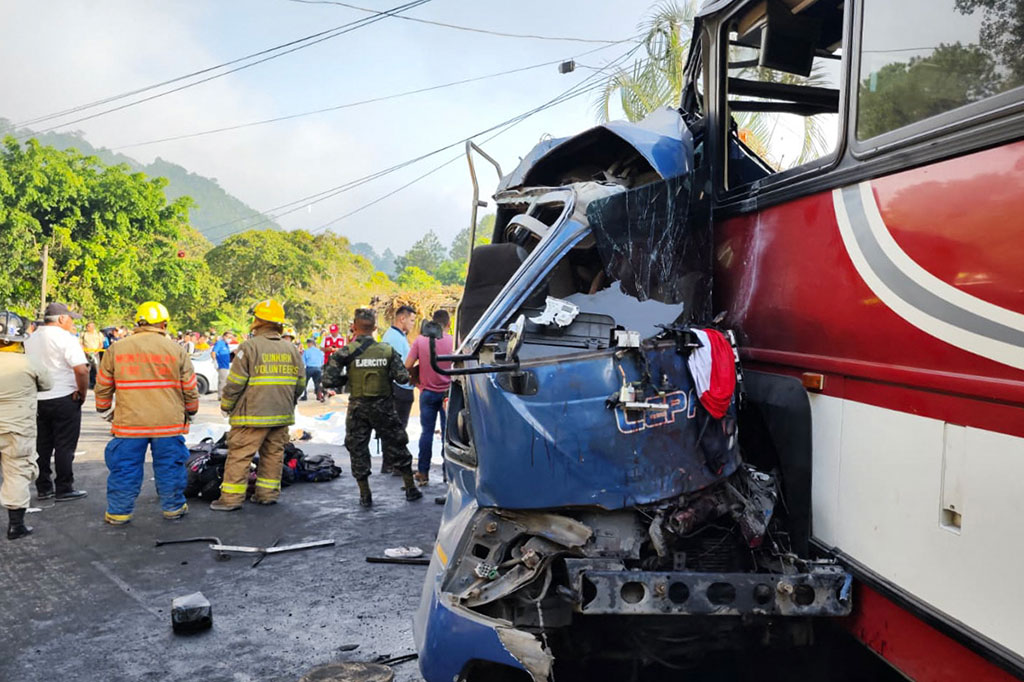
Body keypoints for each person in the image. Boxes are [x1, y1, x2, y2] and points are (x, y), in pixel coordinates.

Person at [93, 302, 198, 524]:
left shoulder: (117, 348)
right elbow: (189, 387)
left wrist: (103, 409)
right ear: (164, 324)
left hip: (130, 423)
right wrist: (192, 411)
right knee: (170, 466)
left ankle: (119, 512)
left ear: (139, 323)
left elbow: (103, 385)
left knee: (125, 468)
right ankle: (173, 507)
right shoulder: (176, 349)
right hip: (168, 423)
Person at [322, 308, 423, 507]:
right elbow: (403, 377)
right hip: (384, 406)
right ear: (375, 328)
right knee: (398, 442)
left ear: (354, 327)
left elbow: (327, 380)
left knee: (358, 448)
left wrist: (349, 378)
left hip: (358, 408)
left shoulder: (346, 352)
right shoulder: (386, 351)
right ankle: (410, 488)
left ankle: (365, 495)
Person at [212, 299, 305, 511]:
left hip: (251, 415)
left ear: (258, 322)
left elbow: (235, 383)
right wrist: (287, 402)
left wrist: (227, 405)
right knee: (273, 455)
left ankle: (230, 500)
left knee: (240, 456)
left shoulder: (249, 347)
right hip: (281, 415)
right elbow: (299, 384)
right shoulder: (291, 349)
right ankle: (267, 495)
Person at [24, 302, 89, 501]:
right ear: (61, 319)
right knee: (64, 445)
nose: (71, 323)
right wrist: (82, 392)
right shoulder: (65, 338)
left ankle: (43, 487)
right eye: (70, 319)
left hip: (38, 398)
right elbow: (81, 369)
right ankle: (64, 487)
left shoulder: (30, 338)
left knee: (42, 445)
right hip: (64, 397)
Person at [0, 311, 52, 539]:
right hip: (17, 428)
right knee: (17, 472)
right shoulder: (27, 363)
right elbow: (47, 384)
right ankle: (16, 525)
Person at [406, 309, 454, 485]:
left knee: (426, 432)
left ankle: (423, 473)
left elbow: (407, 365)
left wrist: (418, 379)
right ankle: (447, 474)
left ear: (432, 323)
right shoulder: (454, 341)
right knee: (447, 435)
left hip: (427, 393)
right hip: (448, 396)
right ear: (448, 324)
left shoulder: (420, 340)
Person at [379, 305, 416, 474]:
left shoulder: (396, 336)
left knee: (394, 426)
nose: (413, 324)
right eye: (412, 320)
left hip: (398, 386)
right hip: (398, 387)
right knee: (397, 427)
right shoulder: (394, 338)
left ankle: (389, 463)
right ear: (402, 319)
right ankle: (394, 464)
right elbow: (399, 366)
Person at [81, 321, 105, 389]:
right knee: (87, 369)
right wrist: (86, 351)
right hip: (86, 353)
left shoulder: (98, 334)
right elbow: (81, 343)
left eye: (89, 326)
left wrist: (96, 352)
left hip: (95, 353)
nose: (88, 328)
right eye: (87, 326)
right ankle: (89, 383)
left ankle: (97, 383)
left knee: (96, 368)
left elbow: (101, 344)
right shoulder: (83, 334)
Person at [212, 331, 234, 398]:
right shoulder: (220, 343)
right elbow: (213, 352)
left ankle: (221, 395)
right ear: (224, 337)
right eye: (229, 337)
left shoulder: (226, 345)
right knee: (223, 381)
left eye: (231, 337)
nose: (230, 339)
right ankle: (221, 396)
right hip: (221, 365)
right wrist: (215, 361)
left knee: (223, 381)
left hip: (226, 365)